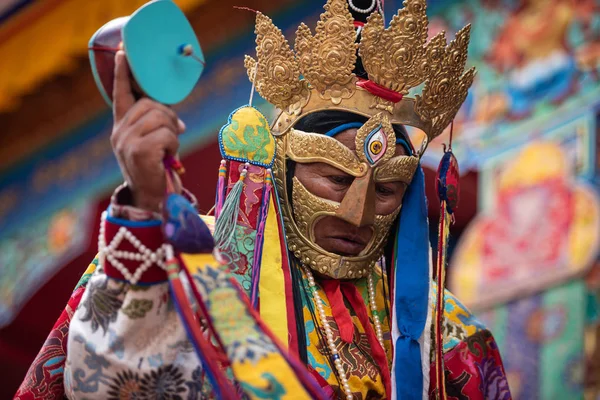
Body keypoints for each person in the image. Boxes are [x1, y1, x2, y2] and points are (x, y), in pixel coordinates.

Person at [16, 0, 511, 398]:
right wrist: (147, 208)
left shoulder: (443, 333)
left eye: (385, 190)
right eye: (336, 180)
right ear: (281, 169)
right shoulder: (183, 263)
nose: (356, 213)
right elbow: (105, 379)